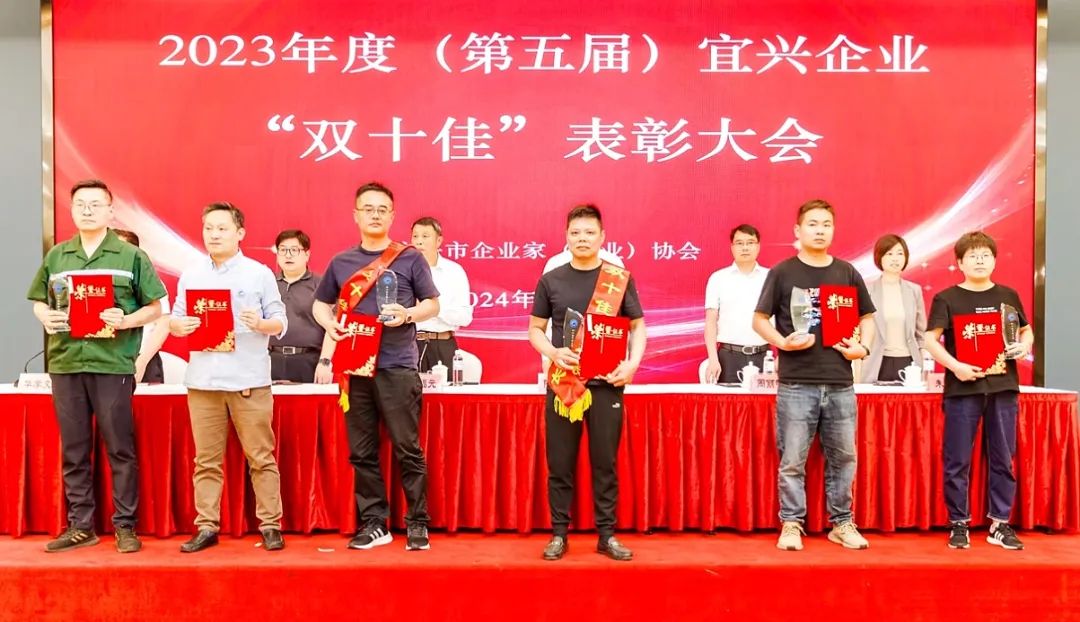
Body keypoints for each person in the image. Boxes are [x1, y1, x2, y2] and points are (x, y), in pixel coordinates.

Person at [27, 179, 166, 553]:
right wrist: (44, 315)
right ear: (72, 210)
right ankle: (80, 525)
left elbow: (156, 308)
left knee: (120, 448)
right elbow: (39, 300)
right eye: (80, 204)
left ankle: (125, 526)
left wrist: (126, 320)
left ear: (110, 211)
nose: (87, 210)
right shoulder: (58, 255)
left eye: (95, 204)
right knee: (74, 449)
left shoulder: (130, 257)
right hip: (66, 362)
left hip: (112, 364)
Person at [312, 182, 440, 551]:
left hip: (397, 366)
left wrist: (407, 314)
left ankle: (417, 521)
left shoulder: (410, 258)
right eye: (368, 208)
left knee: (407, 447)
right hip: (355, 367)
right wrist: (329, 324)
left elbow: (432, 304)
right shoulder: (341, 262)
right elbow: (321, 304)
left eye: (382, 209)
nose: (375, 214)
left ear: (392, 216)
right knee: (362, 450)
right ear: (356, 215)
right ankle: (374, 522)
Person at [753, 199, 876, 551]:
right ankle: (791, 523)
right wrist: (782, 343)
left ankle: (842, 523)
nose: (819, 230)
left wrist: (863, 349)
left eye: (826, 224)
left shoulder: (847, 272)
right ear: (798, 230)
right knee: (792, 459)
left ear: (833, 230)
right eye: (812, 224)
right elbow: (759, 319)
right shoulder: (783, 272)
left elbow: (867, 318)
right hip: (796, 382)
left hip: (840, 382)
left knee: (844, 457)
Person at [528, 204, 646, 562]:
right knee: (560, 463)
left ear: (602, 237)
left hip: (607, 383)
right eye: (576, 232)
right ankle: (558, 535)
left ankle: (607, 536)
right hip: (565, 384)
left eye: (589, 232)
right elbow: (535, 330)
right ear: (566, 236)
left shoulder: (618, 279)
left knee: (605, 463)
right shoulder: (551, 279)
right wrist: (552, 351)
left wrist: (632, 364)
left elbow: (638, 326)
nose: (582, 239)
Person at [169, 202, 287, 553]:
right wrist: (179, 326)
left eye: (222, 228)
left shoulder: (259, 273)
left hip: (248, 380)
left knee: (261, 457)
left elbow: (280, 321)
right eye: (209, 228)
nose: (214, 234)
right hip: (203, 382)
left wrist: (261, 324)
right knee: (205, 461)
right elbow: (175, 318)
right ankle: (206, 526)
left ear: (240, 233)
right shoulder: (191, 274)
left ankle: (270, 524)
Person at [924, 231, 1033, 551]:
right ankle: (959, 522)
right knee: (957, 459)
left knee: (1003, 458)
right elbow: (930, 340)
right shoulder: (947, 298)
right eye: (972, 256)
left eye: (985, 255)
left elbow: (1026, 331)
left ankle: (1000, 523)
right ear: (960, 263)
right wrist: (955, 366)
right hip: (963, 388)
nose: (980, 261)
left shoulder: (1008, 295)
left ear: (995, 260)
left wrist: (1023, 346)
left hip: (1002, 387)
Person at [703, 224, 770, 383]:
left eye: (750, 242)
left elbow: (781, 320)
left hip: (764, 357)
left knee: (764, 400)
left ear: (758, 246)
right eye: (739, 243)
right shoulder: (718, 278)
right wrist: (713, 359)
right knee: (728, 400)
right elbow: (711, 322)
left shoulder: (771, 277)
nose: (745, 247)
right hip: (728, 357)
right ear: (732, 247)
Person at [858, 234, 927, 383]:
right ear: (879, 257)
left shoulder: (914, 290)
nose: (895, 259)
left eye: (900, 254)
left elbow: (921, 333)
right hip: (877, 362)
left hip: (909, 363)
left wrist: (925, 359)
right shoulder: (867, 290)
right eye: (889, 254)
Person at [410, 217, 473, 376]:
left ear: (438, 241)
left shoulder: (454, 271)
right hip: (409, 346)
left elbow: (465, 317)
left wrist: (433, 309)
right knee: (407, 392)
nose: (419, 241)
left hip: (443, 345)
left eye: (425, 236)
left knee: (445, 391)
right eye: (415, 236)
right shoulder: (403, 270)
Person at [113, 229, 171, 383]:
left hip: (143, 359)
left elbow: (163, 325)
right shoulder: (98, 284)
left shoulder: (150, 282)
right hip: (108, 360)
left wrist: (142, 362)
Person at [269, 229, 325, 383]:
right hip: (270, 360)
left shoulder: (321, 285)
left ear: (307, 254)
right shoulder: (267, 284)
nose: (288, 255)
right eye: (283, 250)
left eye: (294, 250)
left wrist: (325, 362)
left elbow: (332, 327)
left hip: (308, 361)